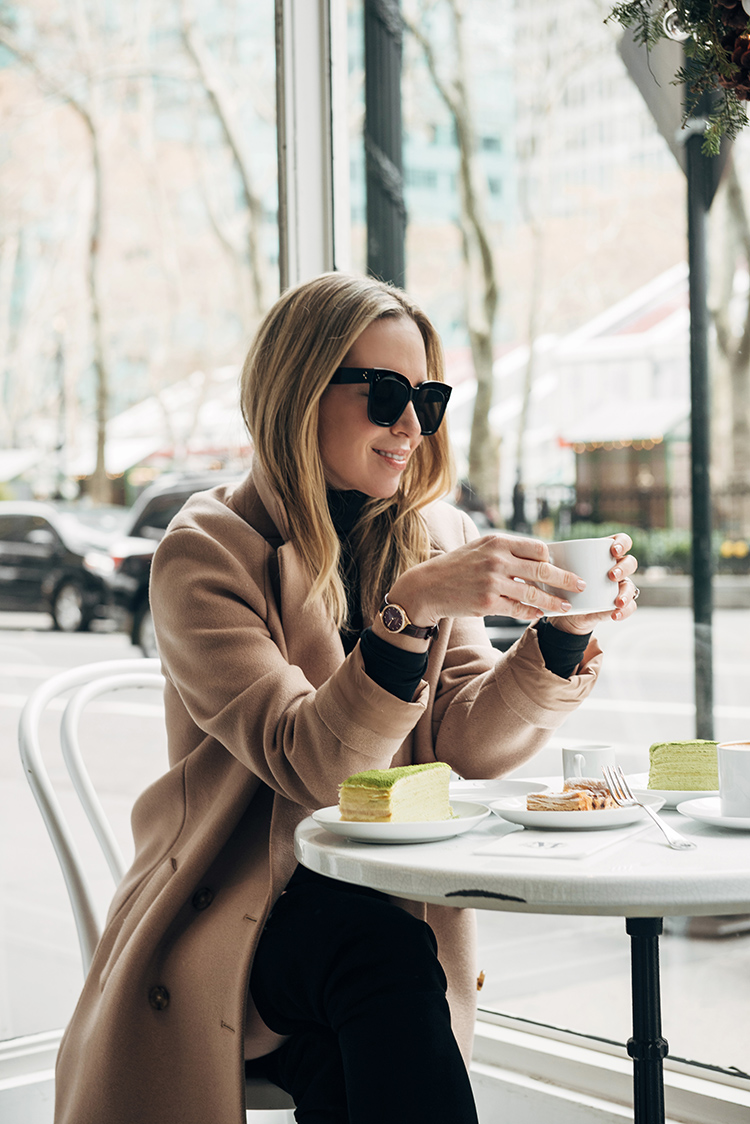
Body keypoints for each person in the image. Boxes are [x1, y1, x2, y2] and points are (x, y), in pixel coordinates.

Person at [53, 273, 639, 1124]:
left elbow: (466, 745)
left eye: (427, 398)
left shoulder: (434, 531)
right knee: (379, 959)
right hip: (244, 908)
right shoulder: (206, 552)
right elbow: (311, 763)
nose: (410, 426)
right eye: (387, 395)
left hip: (375, 907)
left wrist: (562, 632)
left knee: (360, 1042)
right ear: (298, 392)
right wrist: (407, 613)